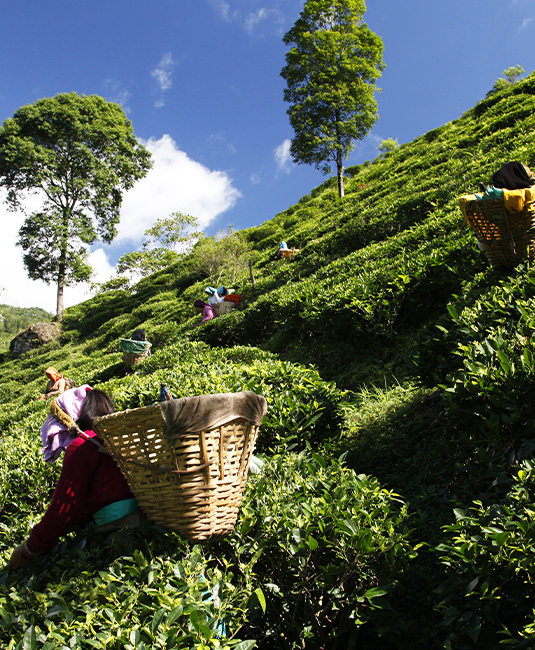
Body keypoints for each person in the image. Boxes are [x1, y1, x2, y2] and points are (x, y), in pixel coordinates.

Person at [7, 389, 140, 569]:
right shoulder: (122, 434)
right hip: (151, 518)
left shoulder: (82, 446)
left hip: (122, 532)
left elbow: (63, 509)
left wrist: (29, 549)